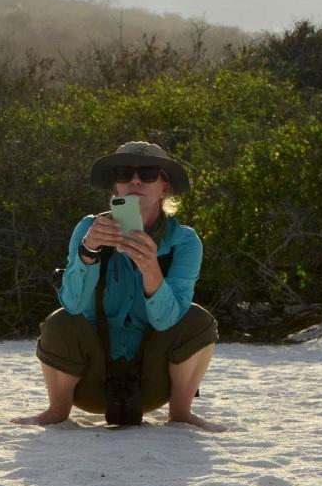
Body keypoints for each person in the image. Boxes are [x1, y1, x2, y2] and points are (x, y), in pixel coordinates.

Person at [11, 141, 224, 431]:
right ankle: (56, 411)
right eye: (124, 173)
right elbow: (73, 304)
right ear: (116, 187)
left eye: (148, 173)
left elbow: (168, 320)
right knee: (59, 323)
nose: (135, 180)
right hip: (90, 380)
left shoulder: (184, 241)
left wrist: (151, 269)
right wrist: (88, 252)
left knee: (198, 320)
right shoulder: (89, 229)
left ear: (164, 187)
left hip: (152, 382)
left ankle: (181, 413)